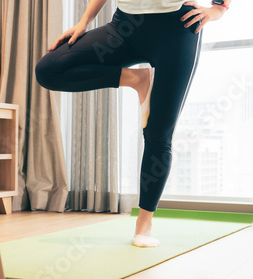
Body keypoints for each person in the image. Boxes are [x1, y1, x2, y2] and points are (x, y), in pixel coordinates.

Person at [35, 0, 231, 247]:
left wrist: (218, 9)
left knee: (158, 133)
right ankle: (136, 79)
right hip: (124, 27)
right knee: (49, 69)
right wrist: (83, 23)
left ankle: (144, 226)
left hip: (178, 28)